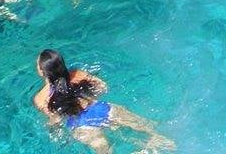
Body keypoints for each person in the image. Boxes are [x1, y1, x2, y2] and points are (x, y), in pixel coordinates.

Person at [33, 49, 174, 153]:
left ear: (41, 71)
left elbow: (55, 120)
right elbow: (102, 87)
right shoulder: (77, 73)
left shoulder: (40, 98)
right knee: (152, 131)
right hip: (100, 109)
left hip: (81, 125)